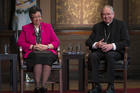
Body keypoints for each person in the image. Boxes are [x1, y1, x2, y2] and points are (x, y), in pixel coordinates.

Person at [86, 5, 130, 93]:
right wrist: (97, 44)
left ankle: (111, 86)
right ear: (101, 16)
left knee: (110, 55)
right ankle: (96, 86)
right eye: (104, 14)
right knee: (93, 56)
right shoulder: (97, 26)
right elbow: (88, 42)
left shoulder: (121, 25)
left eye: (108, 14)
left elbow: (126, 42)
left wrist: (112, 46)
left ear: (113, 14)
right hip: (100, 51)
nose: (106, 16)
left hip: (115, 52)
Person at [17, 6, 59, 93]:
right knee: (37, 57)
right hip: (33, 52)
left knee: (47, 57)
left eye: (39, 16)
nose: (38, 19)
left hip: (47, 51)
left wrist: (47, 46)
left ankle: (43, 87)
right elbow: (20, 42)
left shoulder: (48, 26)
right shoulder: (25, 28)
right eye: (35, 17)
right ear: (31, 18)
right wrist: (32, 47)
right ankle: (37, 87)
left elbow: (56, 41)